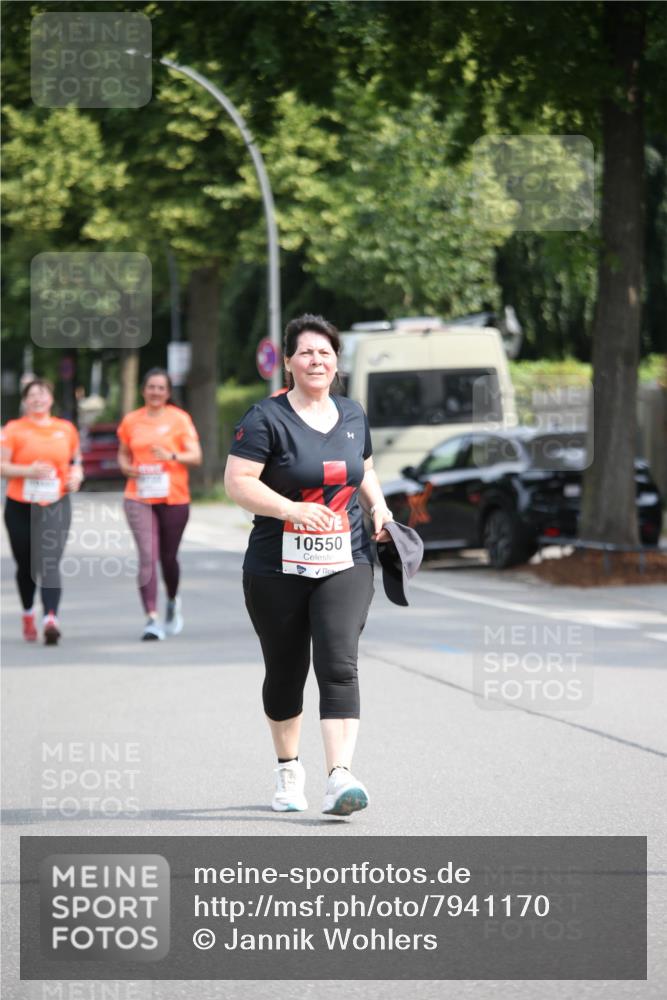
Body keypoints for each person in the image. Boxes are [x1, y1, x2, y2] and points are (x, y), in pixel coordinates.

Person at [224, 314, 394, 816]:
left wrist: (377, 505)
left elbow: (366, 468)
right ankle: (288, 768)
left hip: (347, 555)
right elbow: (239, 482)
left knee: (339, 663)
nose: (316, 360)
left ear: (336, 361)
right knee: (285, 669)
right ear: (290, 363)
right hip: (276, 564)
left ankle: (340, 777)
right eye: (306, 353)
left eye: (325, 352)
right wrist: (291, 509)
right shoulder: (264, 419)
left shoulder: (352, 414)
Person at [117, 368, 202, 641]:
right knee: (147, 556)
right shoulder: (131, 421)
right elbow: (122, 453)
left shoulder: (180, 419)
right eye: (151, 387)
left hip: (174, 497)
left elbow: (196, 456)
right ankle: (151, 618)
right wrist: (126, 467)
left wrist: (171, 455)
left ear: (167, 392)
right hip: (138, 496)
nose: (155, 392)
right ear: (143, 390)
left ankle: (172, 599)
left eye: (161, 388)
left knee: (168, 558)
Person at [1, 378, 83, 644]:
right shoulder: (13, 429)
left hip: (55, 503)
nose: (38, 398)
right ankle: (27, 613)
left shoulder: (66, 429)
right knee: (26, 564)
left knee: (49, 560)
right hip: (20, 505)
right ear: (25, 401)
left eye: (43, 394)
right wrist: (28, 471)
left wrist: (76, 477)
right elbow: (2, 466)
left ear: (51, 398)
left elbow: (75, 462)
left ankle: (50, 618)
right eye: (32, 395)